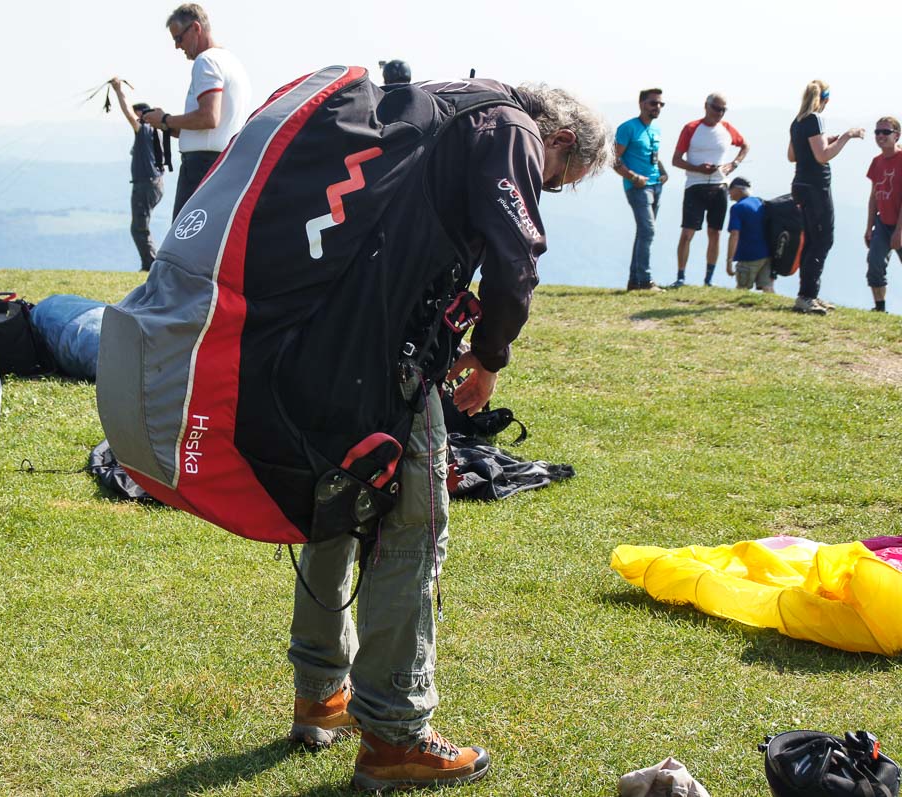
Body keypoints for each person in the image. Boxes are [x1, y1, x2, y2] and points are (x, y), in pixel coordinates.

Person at [286, 81, 611, 792]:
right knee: (413, 529)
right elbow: (515, 256)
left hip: (326, 344)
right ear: (560, 141)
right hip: (394, 360)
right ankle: (394, 735)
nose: (550, 187)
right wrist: (490, 357)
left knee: (334, 509)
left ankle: (320, 693)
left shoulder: (443, 104)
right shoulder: (512, 130)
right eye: (559, 180)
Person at [140, 4, 250, 218]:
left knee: (183, 235)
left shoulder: (206, 61)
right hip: (226, 164)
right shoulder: (232, 62)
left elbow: (209, 117)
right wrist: (166, 124)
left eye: (179, 38)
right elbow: (212, 127)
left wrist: (166, 119)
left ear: (196, 28)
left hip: (201, 166)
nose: (177, 46)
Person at [788, 80, 865, 315]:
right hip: (816, 187)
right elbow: (822, 156)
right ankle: (807, 296)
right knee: (823, 239)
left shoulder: (798, 121)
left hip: (800, 184)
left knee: (812, 239)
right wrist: (847, 136)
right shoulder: (815, 119)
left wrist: (824, 140)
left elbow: (792, 155)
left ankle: (808, 293)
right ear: (825, 100)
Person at [670, 93, 750, 287]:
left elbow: (745, 146)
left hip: (719, 185)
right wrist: (697, 168)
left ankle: (708, 279)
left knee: (715, 233)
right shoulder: (691, 128)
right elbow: (676, 160)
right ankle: (680, 277)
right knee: (687, 233)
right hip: (695, 185)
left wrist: (734, 164)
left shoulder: (727, 128)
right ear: (706, 106)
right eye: (716, 108)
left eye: (723, 110)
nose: (720, 113)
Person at [107, 78, 166, 272]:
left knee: (139, 227)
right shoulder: (155, 132)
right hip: (155, 183)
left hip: (146, 184)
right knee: (141, 225)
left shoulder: (145, 130)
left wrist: (118, 90)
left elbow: (128, 114)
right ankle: (150, 263)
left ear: (141, 114)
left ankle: (150, 265)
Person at [614, 88, 669, 291]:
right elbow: (614, 158)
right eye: (653, 103)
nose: (658, 107)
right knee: (648, 230)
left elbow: (654, 155)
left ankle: (635, 282)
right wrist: (633, 177)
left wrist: (663, 172)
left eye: (661, 104)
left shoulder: (656, 129)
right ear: (642, 104)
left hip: (656, 185)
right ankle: (645, 281)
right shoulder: (628, 128)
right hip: (638, 187)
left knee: (644, 233)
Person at [864, 116, 902, 312]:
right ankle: (880, 308)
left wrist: (899, 231)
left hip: (899, 224)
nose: (880, 136)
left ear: (897, 135)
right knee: (874, 264)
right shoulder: (876, 162)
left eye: (886, 132)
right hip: (882, 223)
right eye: (877, 132)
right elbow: (873, 197)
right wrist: (869, 227)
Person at [725, 176, 773, 293]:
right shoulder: (760, 202)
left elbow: (734, 234)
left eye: (730, 189)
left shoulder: (738, 207)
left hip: (748, 256)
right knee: (767, 287)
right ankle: (772, 305)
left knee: (742, 288)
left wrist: (729, 260)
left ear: (737, 189)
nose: (729, 193)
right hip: (767, 255)